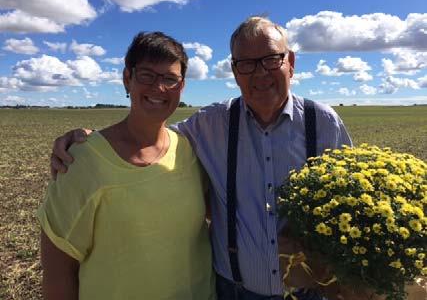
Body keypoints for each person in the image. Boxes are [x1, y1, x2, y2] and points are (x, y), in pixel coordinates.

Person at [50, 16, 352, 300]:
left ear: (291, 63)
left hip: (310, 292)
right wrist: (90, 137)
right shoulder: (211, 124)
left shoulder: (323, 123)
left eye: (272, 59)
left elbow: (353, 202)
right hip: (232, 291)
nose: (260, 73)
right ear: (234, 72)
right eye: (246, 64)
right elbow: (150, 131)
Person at [38, 32, 216, 300]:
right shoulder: (82, 161)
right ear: (127, 78)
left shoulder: (189, 150)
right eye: (147, 75)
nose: (159, 88)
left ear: (181, 86)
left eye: (170, 78)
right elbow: (57, 272)